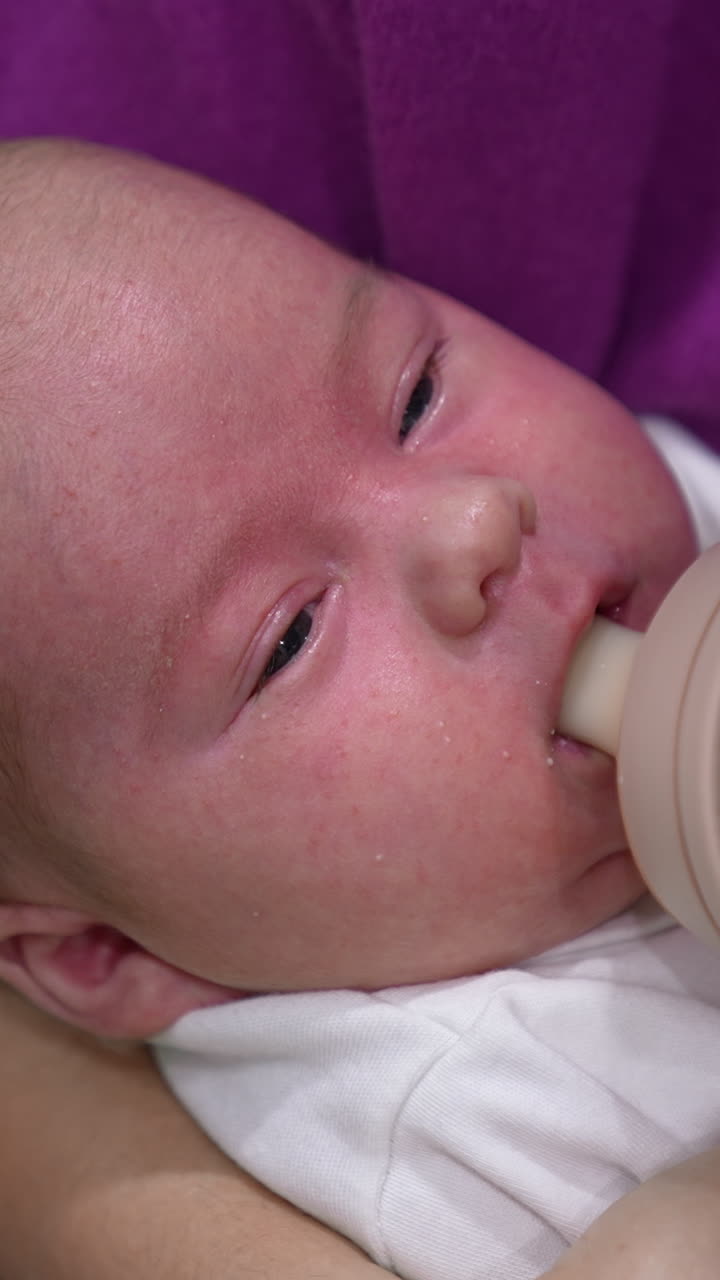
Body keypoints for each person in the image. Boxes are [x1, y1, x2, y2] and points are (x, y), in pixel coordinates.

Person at [2, 135, 720, 1279]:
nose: (474, 522)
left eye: (417, 390)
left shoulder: (673, 523)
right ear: (106, 949)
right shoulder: (464, 1136)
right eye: (290, 636)